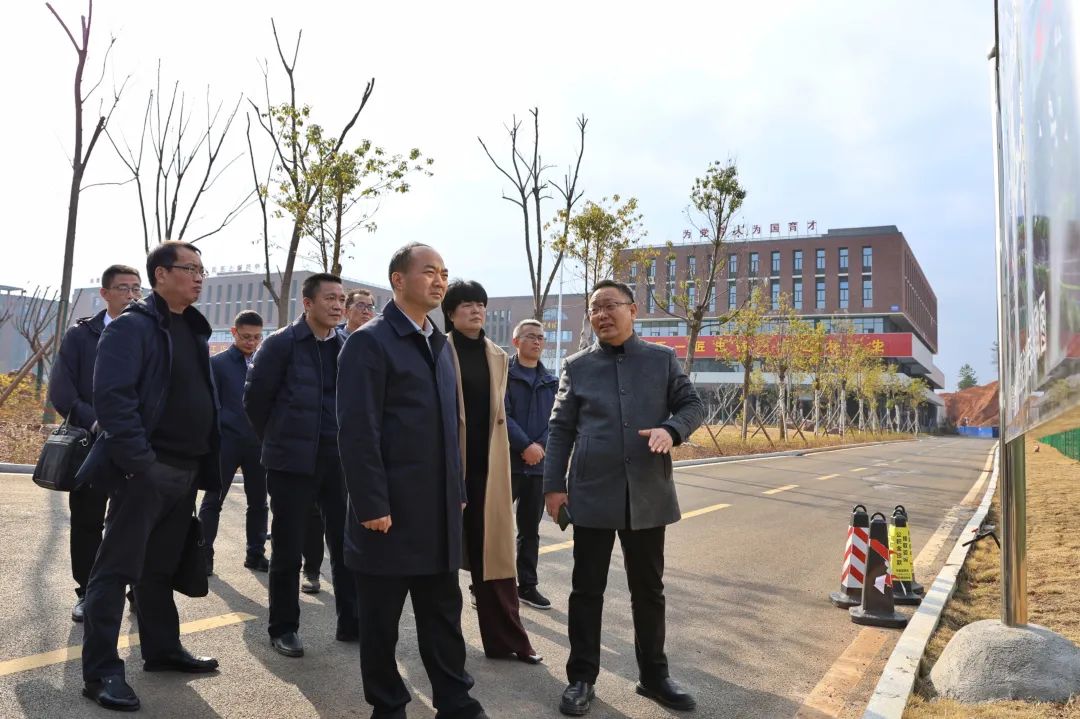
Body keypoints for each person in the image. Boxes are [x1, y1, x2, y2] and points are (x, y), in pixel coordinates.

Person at [338, 243, 488, 719]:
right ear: (398, 280)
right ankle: (388, 706)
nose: (440, 280)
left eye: (444, 272)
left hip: (439, 510)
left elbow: (451, 431)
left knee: (443, 615)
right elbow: (358, 431)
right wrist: (371, 505)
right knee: (381, 622)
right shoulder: (370, 341)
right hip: (388, 512)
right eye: (429, 272)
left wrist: (459, 493)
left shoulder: (439, 344)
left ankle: (455, 701)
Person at [543, 279, 704, 716]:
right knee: (586, 588)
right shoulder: (577, 366)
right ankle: (581, 678)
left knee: (648, 589)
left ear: (633, 310)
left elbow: (693, 406)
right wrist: (553, 487)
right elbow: (559, 429)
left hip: (647, 493)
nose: (602, 315)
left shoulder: (662, 360)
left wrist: (671, 431)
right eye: (595, 308)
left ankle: (654, 676)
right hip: (592, 491)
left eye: (611, 306)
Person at [76, 241, 221, 712]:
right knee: (114, 571)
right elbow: (113, 400)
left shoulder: (194, 328)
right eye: (190, 269)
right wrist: (140, 463)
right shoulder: (132, 328)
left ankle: (161, 651)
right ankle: (100, 674)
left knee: (158, 570)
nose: (199, 277)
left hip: (185, 470)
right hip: (145, 471)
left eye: (202, 270)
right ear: (160, 275)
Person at [243, 272, 359, 657]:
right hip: (291, 463)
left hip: (338, 460)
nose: (338, 305)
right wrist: (278, 441)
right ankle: (283, 628)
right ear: (307, 303)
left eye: (342, 298)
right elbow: (255, 400)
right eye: (330, 298)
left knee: (345, 545)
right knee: (289, 547)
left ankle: (351, 621)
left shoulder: (347, 345)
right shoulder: (280, 344)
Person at [443, 280, 540, 664]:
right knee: (442, 563)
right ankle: (444, 649)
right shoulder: (435, 350)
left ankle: (508, 642)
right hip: (447, 468)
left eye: (480, 304)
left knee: (496, 561)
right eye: (466, 304)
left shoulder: (497, 356)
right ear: (450, 312)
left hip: (489, 470)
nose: (475, 310)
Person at [49, 264, 142, 623]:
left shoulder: (150, 333)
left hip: (136, 444)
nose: (132, 295)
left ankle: (136, 590)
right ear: (104, 294)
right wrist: (96, 421)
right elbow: (62, 390)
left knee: (134, 521)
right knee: (87, 520)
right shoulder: (81, 335)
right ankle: (88, 592)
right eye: (123, 288)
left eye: (137, 288)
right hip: (92, 443)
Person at [197, 310, 269, 575]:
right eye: (246, 336)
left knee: (260, 503)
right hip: (225, 443)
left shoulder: (266, 363)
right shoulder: (216, 364)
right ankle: (204, 554)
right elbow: (208, 405)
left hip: (258, 444)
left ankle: (256, 553)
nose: (252, 342)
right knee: (213, 500)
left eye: (257, 337)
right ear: (234, 332)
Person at [504, 318, 558, 610]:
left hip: (538, 467)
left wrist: (539, 448)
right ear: (516, 341)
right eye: (530, 336)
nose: (537, 342)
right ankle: (486, 584)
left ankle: (527, 586)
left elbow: (557, 421)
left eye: (540, 337)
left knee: (529, 529)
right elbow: (502, 414)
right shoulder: (503, 375)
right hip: (508, 464)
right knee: (496, 528)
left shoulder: (551, 381)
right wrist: (525, 445)